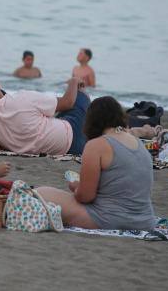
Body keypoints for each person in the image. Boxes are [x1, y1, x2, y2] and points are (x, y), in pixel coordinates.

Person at [35, 96, 156, 230]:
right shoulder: (139, 144)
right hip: (145, 221)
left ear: (92, 121)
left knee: (41, 193)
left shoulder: (96, 145)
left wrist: (76, 187)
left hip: (108, 218)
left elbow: (85, 197)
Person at [0, 74, 90, 155]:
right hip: (71, 135)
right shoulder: (23, 97)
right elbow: (67, 103)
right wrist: (74, 82)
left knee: (48, 116)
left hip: (57, 146)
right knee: (80, 94)